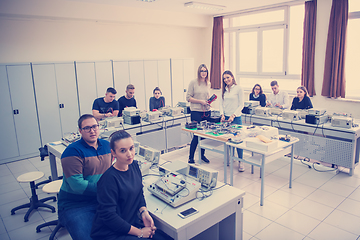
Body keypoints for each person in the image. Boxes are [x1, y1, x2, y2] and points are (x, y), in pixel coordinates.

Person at [91, 130, 172, 240]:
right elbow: (108, 216)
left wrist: (144, 211)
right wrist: (140, 232)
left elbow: (139, 192)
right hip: (110, 233)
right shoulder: (109, 179)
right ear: (113, 153)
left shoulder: (134, 166)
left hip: (128, 224)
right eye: (123, 151)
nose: (129, 154)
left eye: (131, 148)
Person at [58, 114, 112, 240]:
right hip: (76, 205)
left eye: (94, 126)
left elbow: (114, 170)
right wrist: (107, 190)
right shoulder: (72, 152)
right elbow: (77, 186)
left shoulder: (106, 146)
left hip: (101, 199)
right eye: (87, 128)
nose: (92, 131)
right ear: (80, 131)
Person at [219, 70, 245, 172]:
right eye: (224, 78)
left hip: (236, 117)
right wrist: (222, 114)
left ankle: (240, 161)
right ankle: (230, 157)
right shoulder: (224, 90)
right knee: (229, 139)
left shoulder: (238, 89)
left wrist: (234, 115)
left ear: (232, 77)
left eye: (228, 77)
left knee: (238, 140)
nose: (226, 80)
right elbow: (221, 104)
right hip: (226, 118)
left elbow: (241, 104)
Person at [186, 64, 211, 164]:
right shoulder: (193, 82)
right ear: (199, 72)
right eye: (202, 71)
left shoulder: (208, 83)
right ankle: (191, 157)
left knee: (204, 135)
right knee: (197, 135)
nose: (204, 73)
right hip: (196, 112)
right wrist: (200, 101)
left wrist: (208, 102)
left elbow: (206, 97)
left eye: (205, 71)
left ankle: (202, 155)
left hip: (206, 111)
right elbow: (188, 98)